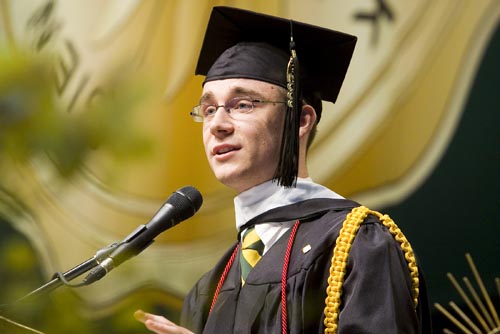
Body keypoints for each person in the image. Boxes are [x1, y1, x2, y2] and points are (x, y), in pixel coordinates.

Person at [135, 6, 432, 334]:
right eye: (208, 109)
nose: (217, 124)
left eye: (243, 104)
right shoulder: (209, 289)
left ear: (301, 120)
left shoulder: (355, 245)